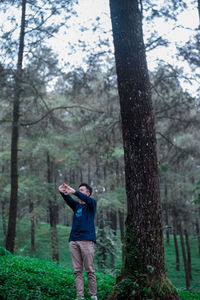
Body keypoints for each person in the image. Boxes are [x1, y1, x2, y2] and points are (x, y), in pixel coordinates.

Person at [58, 182, 98, 300]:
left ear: (88, 193)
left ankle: (93, 295)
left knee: (89, 269)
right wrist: (62, 192)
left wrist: (75, 191)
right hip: (74, 240)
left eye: (82, 190)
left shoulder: (92, 204)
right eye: (79, 189)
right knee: (77, 271)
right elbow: (68, 199)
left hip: (87, 240)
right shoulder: (77, 206)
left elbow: (82, 197)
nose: (79, 191)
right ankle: (80, 296)